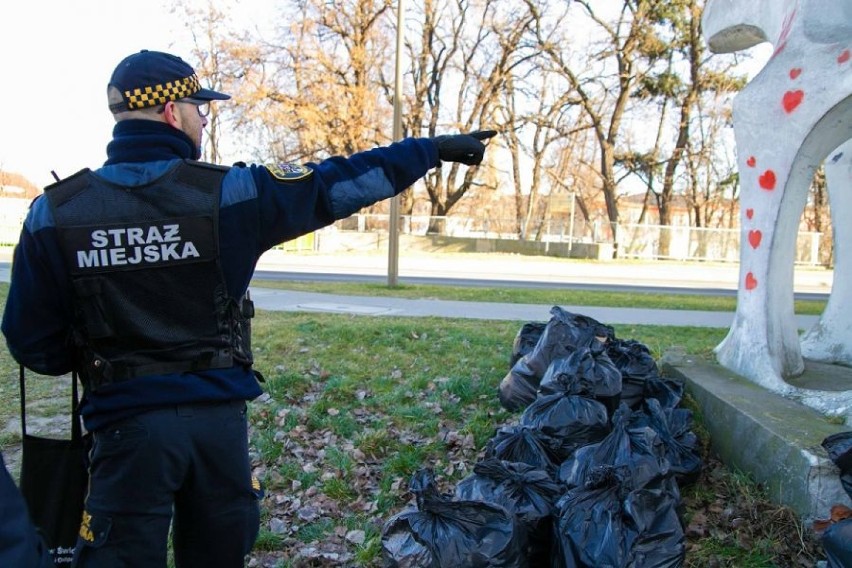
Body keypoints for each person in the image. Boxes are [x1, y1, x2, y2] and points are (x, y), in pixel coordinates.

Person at [1, 49, 496, 567]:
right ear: (174, 112)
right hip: (217, 426)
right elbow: (337, 185)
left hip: (126, 430)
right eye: (200, 108)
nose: (202, 119)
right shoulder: (232, 193)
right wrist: (428, 150)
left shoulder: (54, 213)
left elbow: (32, 343)